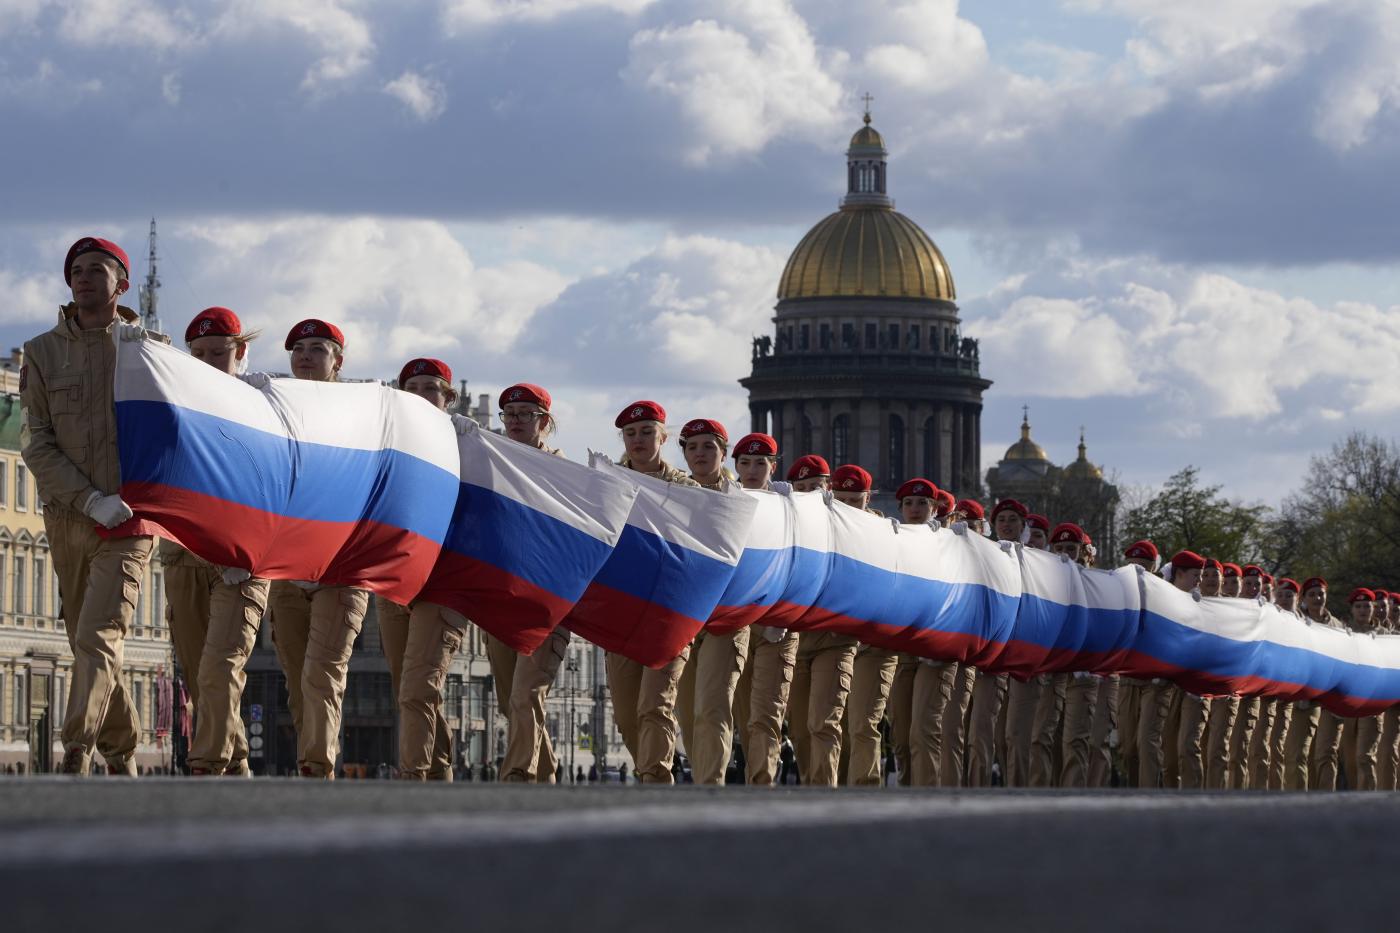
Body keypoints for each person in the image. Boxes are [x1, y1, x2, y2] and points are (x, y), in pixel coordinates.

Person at [22, 237, 166, 775]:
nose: (82, 278)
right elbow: (36, 443)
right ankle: (122, 755)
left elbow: (177, 437)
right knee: (90, 644)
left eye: (96, 270)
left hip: (130, 521)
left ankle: (76, 750)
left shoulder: (150, 350)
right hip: (70, 520)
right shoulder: (42, 353)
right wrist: (87, 499)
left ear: (121, 284)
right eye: (76, 270)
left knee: (97, 634)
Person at [262, 319, 372, 778]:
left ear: (338, 361)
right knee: (296, 678)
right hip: (288, 567)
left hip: (341, 568)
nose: (305, 355)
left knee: (322, 672)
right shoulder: (273, 409)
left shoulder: (361, 414)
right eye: (299, 348)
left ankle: (317, 768)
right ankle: (313, 762)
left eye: (318, 349)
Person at [170, 308, 272, 776]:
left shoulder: (262, 407)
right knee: (199, 675)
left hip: (242, 562)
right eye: (198, 354)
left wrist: (249, 548)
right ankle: (237, 765)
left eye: (217, 353)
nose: (208, 362)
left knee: (220, 666)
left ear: (241, 351)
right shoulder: (174, 403)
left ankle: (207, 765)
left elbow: (275, 483)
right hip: (185, 554)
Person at [375, 359, 474, 781]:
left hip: (442, 585)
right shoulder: (386, 441)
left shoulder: (467, 445)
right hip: (395, 582)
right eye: (411, 387)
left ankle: (412, 778)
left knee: (418, 687)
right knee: (413, 689)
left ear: (448, 398)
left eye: (430, 388)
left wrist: (472, 446)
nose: (419, 395)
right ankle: (439, 773)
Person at [604, 401, 697, 784]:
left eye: (646, 432)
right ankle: (648, 772)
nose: (638, 440)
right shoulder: (608, 483)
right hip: (621, 612)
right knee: (627, 716)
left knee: (655, 705)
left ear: (663, 437)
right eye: (630, 434)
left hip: (668, 612)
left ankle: (656, 782)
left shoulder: (686, 489)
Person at [486, 383, 573, 783]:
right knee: (512, 701)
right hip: (501, 599)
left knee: (527, 694)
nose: (516, 421)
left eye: (526, 414)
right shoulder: (492, 462)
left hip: (546, 602)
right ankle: (546, 777)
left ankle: (517, 778)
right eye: (510, 414)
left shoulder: (566, 473)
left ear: (545, 423)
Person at [674, 418, 751, 786]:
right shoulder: (672, 496)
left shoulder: (743, 501)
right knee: (687, 712)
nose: (700, 454)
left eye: (708, 446)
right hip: (684, 617)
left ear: (724, 452)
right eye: (692, 447)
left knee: (712, 707)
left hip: (726, 618)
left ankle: (711, 786)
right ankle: (700, 779)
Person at [727, 433, 799, 787]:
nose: (752, 470)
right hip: (739, 624)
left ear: (773, 466)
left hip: (777, 627)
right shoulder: (728, 504)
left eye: (760, 463)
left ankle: (762, 785)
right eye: (745, 463)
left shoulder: (790, 509)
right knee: (744, 718)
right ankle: (752, 777)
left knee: (766, 713)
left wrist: (781, 615)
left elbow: (800, 566)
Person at [831, 465, 897, 786]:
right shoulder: (823, 532)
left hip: (872, 646)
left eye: (854, 500)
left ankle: (865, 794)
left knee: (863, 724)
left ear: (868, 498)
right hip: (831, 643)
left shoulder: (885, 536)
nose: (847, 507)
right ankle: (832, 793)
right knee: (830, 725)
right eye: (840, 499)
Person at [892, 479, 960, 786]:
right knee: (901, 736)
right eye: (908, 503)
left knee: (923, 730)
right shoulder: (893, 541)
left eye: (923, 504)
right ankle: (907, 797)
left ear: (935, 509)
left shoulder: (949, 545)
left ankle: (928, 800)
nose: (915, 509)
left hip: (935, 648)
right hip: (902, 647)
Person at [1047, 523, 1098, 787]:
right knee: (1048, 739)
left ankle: (1073, 798)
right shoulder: (1044, 581)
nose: (1065, 553)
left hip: (1082, 671)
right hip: (1052, 670)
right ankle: (1050, 797)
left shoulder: (1095, 583)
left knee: (1074, 740)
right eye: (1059, 548)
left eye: (1071, 548)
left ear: (1082, 551)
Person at [1117, 540, 1167, 788]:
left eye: (1142, 566)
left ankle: (1150, 796)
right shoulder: (1118, 594)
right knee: (1127, 747)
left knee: (1147, 742)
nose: (1136, 571)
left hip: (1155, 681)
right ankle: (1133, 795)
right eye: (1132, 566)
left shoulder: (1167, 595)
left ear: (1153, 568)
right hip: (1127, 678)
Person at [1291, 578, 1342, 789]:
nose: (1317, 598)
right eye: (1311, 595)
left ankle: (1327, 800)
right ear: (1303, 598)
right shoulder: (1296, 622)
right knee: (1299, 754)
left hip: (1330, 698)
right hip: (1304, 698)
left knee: (1327, 753)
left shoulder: (1338, 626)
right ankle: (1301, 800)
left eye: (1320, 594)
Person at [1338, 589, 1382, 790]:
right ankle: (1354, 801)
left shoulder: (1385, 636)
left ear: (1373, 608)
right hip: (1348, 704)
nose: (1363, 610)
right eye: (1358, 606)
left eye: (1367, 606)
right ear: (1352, 610)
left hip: (1373, 704)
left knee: (1365, 756)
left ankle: (1369, 800)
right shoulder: (1343, 634)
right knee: (1349, 760)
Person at [1263, 578, 1301, 790]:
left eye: (1289, 595)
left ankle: (1281, 795)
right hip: (1268, 693)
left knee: (1282, 749)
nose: (1284, 599)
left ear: (1297, 598)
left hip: (1293, 695)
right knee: (1263, 747)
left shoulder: (1305, 625)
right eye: (1280, 595)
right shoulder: (1268, 619)